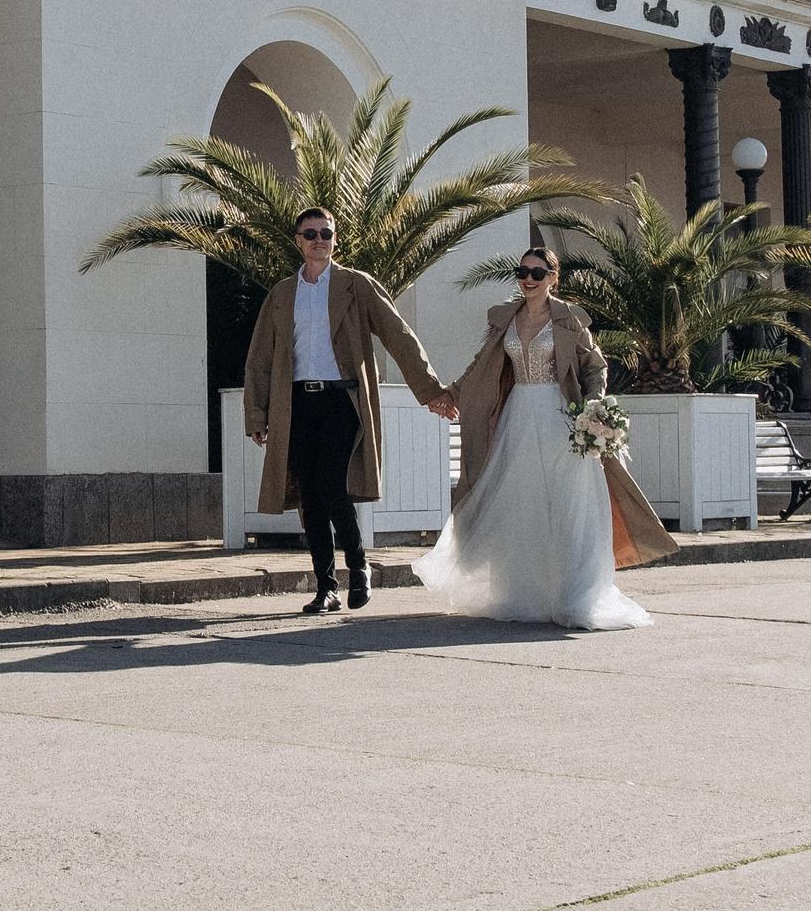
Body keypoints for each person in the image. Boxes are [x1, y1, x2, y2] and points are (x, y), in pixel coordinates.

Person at [414, 246, 678, 630]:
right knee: (521, 503)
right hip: (517, 416)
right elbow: (481, 364)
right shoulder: (504, 318)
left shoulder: (569, 319)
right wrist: (451, 394)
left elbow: (595, 367)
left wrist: (593, 408)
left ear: (554, 278)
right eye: (523, 271)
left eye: (538, 273)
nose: (529, 279)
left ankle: (575, 597)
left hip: (561, 417)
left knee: (567, 505)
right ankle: (523, 596)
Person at [243, 207, 456, 615]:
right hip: (296, 403)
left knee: (330, 484)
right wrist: (257, 413)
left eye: (326, 233)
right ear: (298, 241)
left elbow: (399, 336)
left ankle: (359, 568)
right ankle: (326, 587)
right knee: (310, 494)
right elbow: (259, 359)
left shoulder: (355, 285)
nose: (318, 239)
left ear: (334, 239)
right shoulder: (283, 293)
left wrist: (430, 391)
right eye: (310, 233)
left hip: (343, 400)